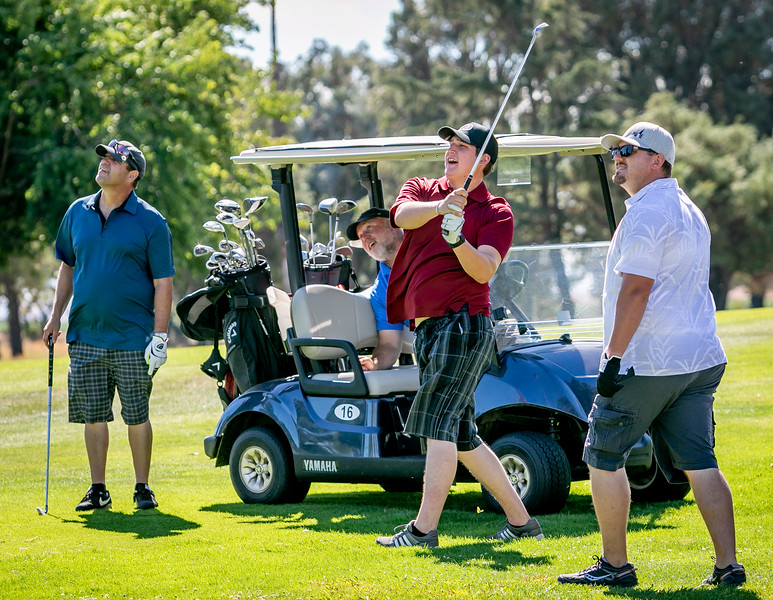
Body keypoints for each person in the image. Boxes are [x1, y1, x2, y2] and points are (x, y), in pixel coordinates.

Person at [558, 122, 745, 587]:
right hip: (698, 359)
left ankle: (615, 566)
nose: (617, 157)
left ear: (657, 159)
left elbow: (636, 289)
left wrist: (613, 358)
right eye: (615, 151)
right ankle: (728, 566)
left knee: (602, 454)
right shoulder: (688, 208)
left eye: (628, 150)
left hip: (647, 362)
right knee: (700, 461)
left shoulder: (647, 213)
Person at [376, 122, 542, 548]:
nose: (450, 150)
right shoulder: (422, 189)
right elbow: (399, 216)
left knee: (437, 426)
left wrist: (457, 239)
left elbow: (484, 268)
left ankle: (423, 530)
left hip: (463, 323)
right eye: (448, 145)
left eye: (461, 146)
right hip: (429, 328)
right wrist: (441, 209)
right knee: (462, 435)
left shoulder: (495, 212)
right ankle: (523, 523)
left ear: (483, 160)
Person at [42, 139, 175, 512]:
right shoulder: (77, 212)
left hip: (134, 337)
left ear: (132, 174)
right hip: (86, 333)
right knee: (93, 415)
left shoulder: (151, 221)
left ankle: (142, 487)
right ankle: (98, 488)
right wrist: (56, 317)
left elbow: (163, 282)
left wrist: (160, 336)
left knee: (137, 414)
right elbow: (67, 266)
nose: (104, 163)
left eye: (114, 160)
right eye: (104, 157)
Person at [345, 207, 406, 371]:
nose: (364, 238)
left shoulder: (428, 249)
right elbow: (389, 343)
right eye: (360, 237)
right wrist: (375, 364)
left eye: (369, 228)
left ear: (393, 224)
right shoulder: (381, 291)